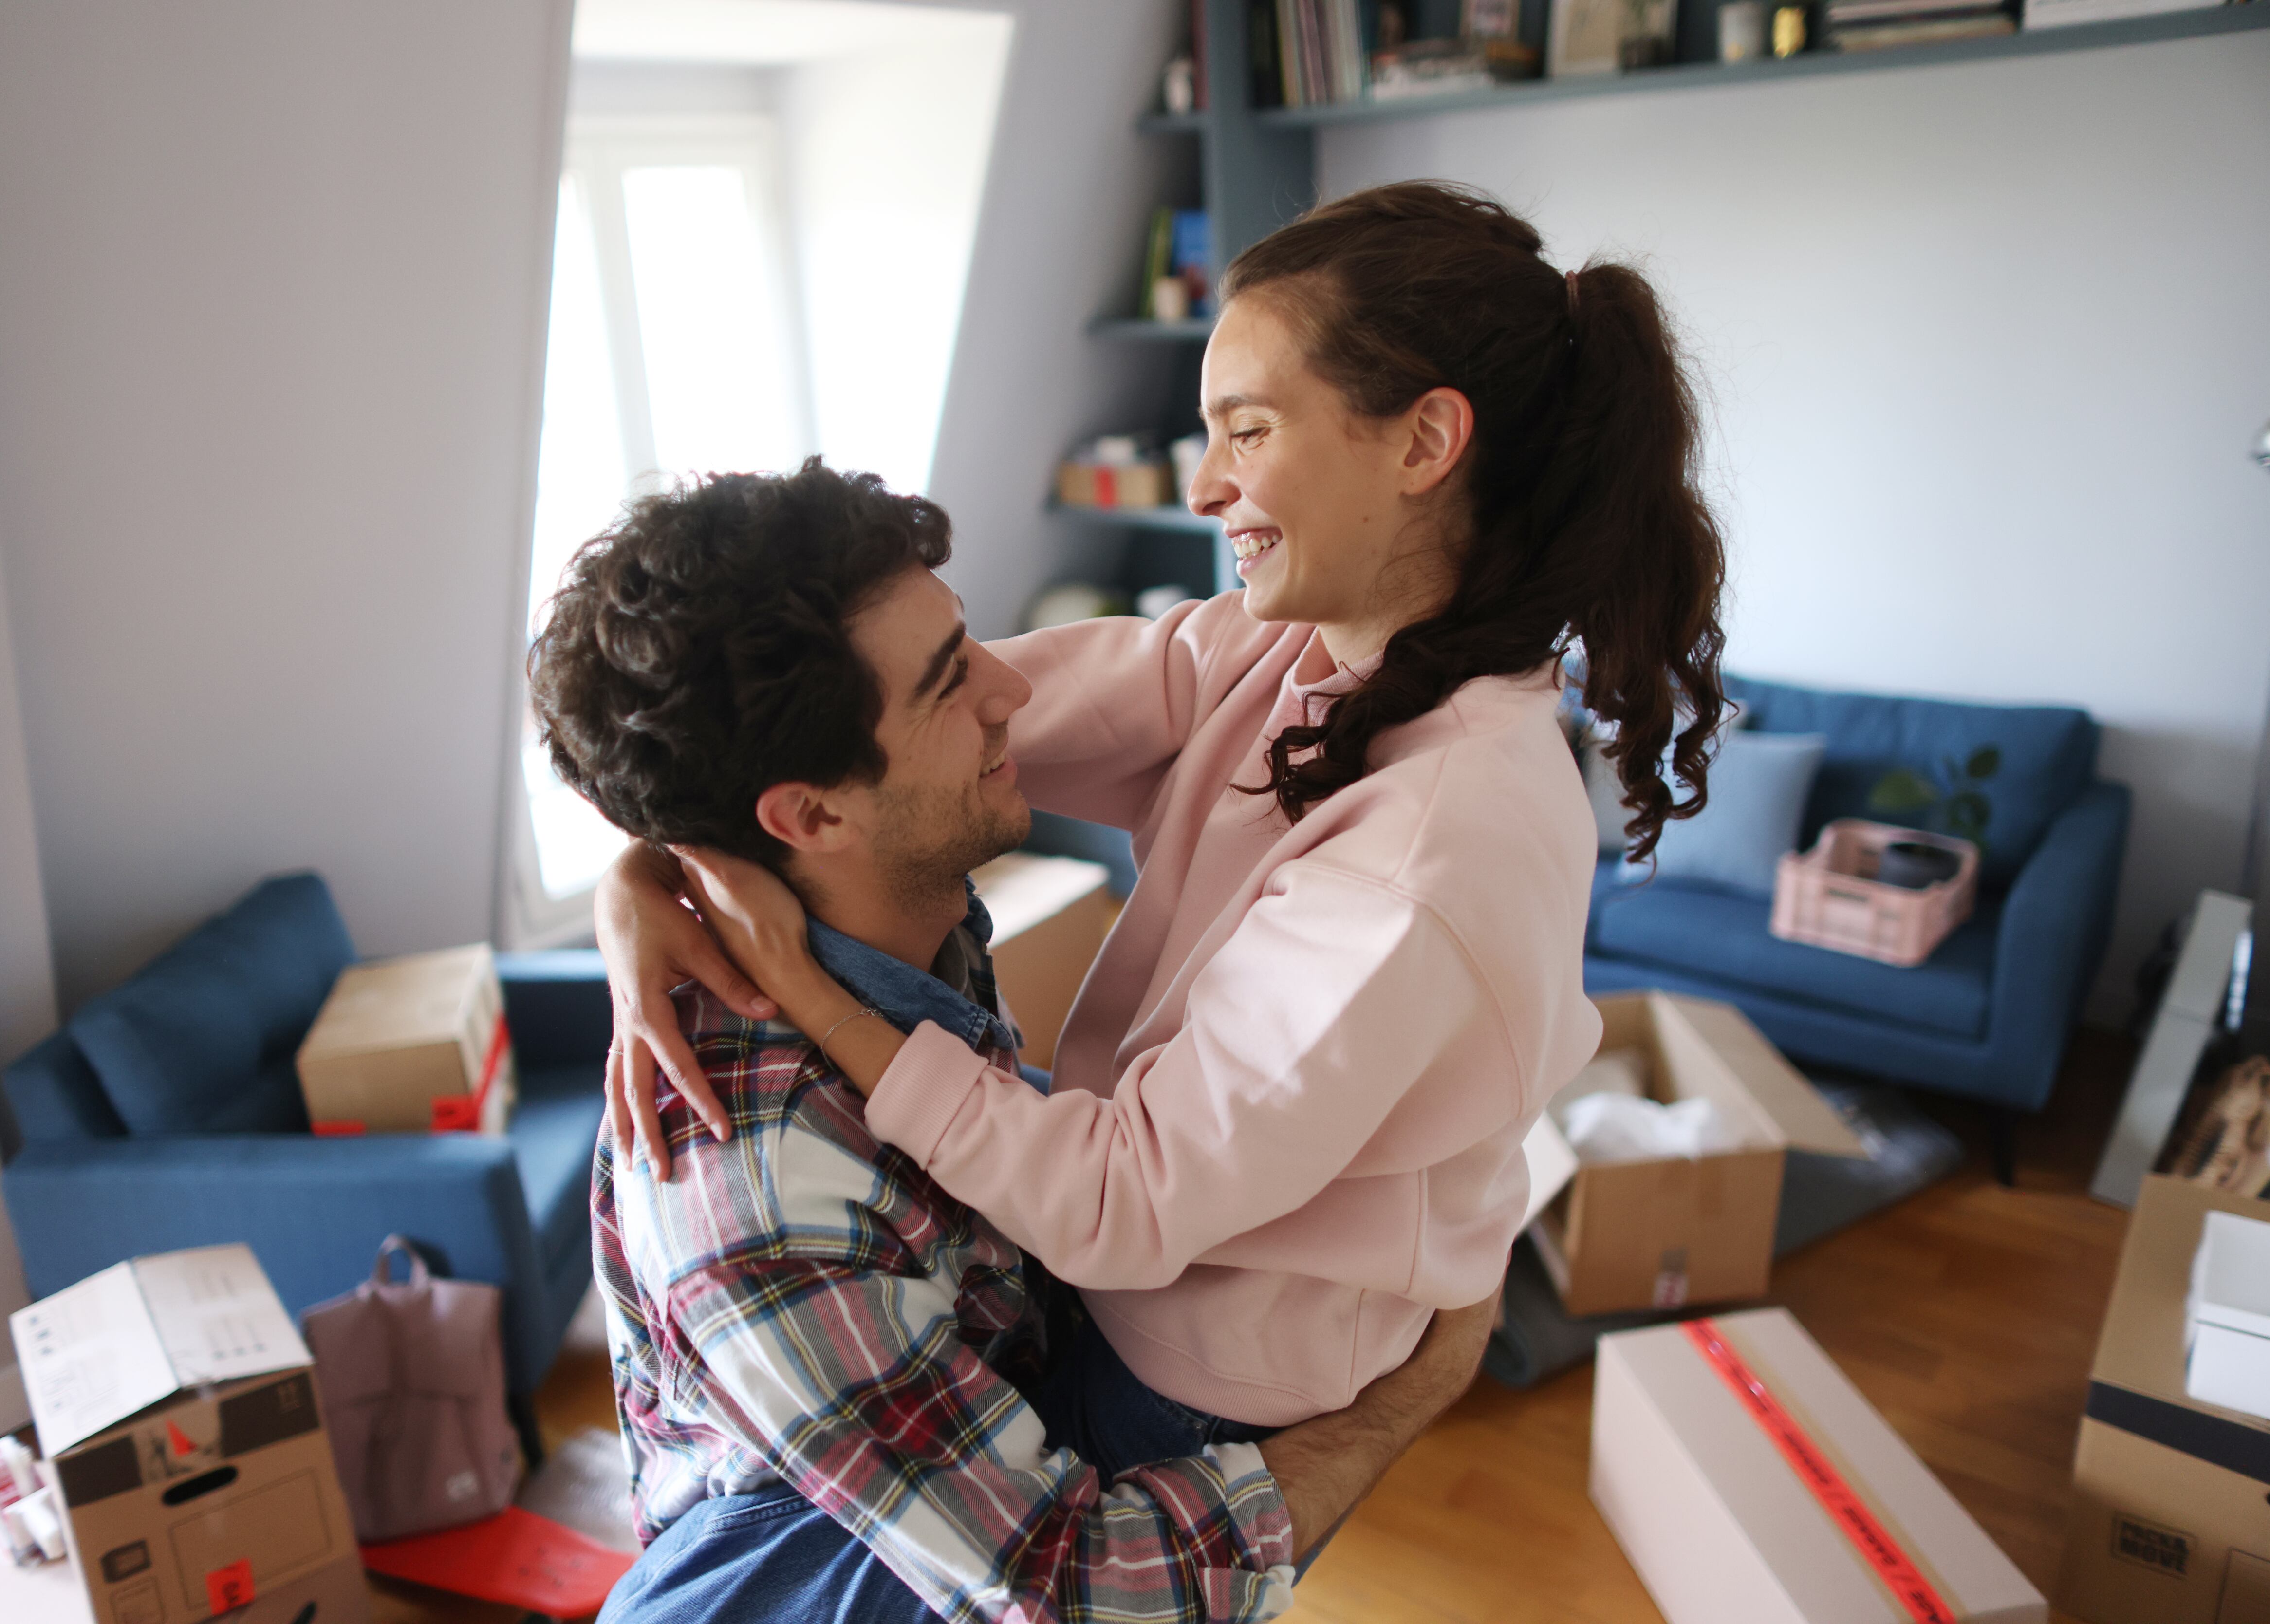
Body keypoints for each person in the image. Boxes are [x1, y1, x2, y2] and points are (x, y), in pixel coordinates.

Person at [598, 180, 1727, 1458]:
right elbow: (892, 734)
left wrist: (815, 997)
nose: (1202, 487)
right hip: (1128, 1256)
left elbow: (1123, 1201)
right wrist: (649, 866)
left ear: (1423, 445)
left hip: (1209, 1369)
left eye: (1246, 431)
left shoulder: (1432, 846)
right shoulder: (1288, 646)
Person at [527, 459, 1492, 1624]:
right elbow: (1078, 1593)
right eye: (947, 683)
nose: (1010, 690)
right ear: (812, 817)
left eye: (969, 639)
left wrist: (642, 868)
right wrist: (1405, 1399)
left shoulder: (894, 923)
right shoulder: (761, 1196)